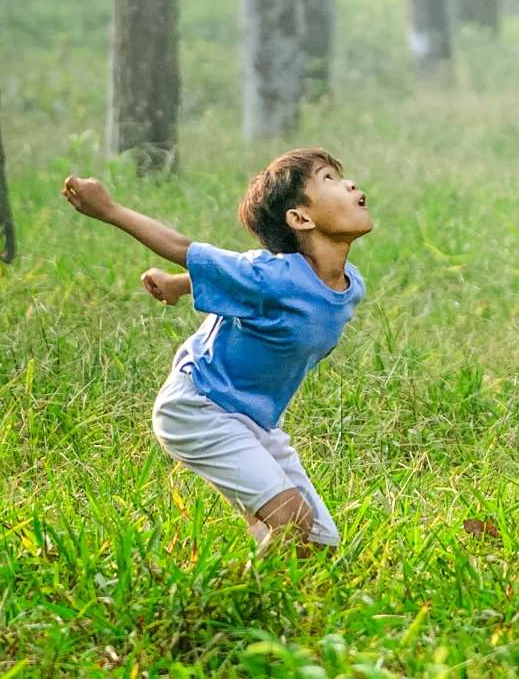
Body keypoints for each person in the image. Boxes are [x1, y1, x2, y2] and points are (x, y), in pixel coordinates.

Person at [61, 150, 372, 549]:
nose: (349, 184)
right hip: (199, 408)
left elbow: (239, 284)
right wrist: (108, 209)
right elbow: (184, 248)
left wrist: (177, 284)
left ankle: (269, 568)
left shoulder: (350, 285)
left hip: (255, 422)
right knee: (292, 524)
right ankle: (227, 601)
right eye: (329, 179)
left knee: (318, 543)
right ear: (300, 218)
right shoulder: (271, 275)